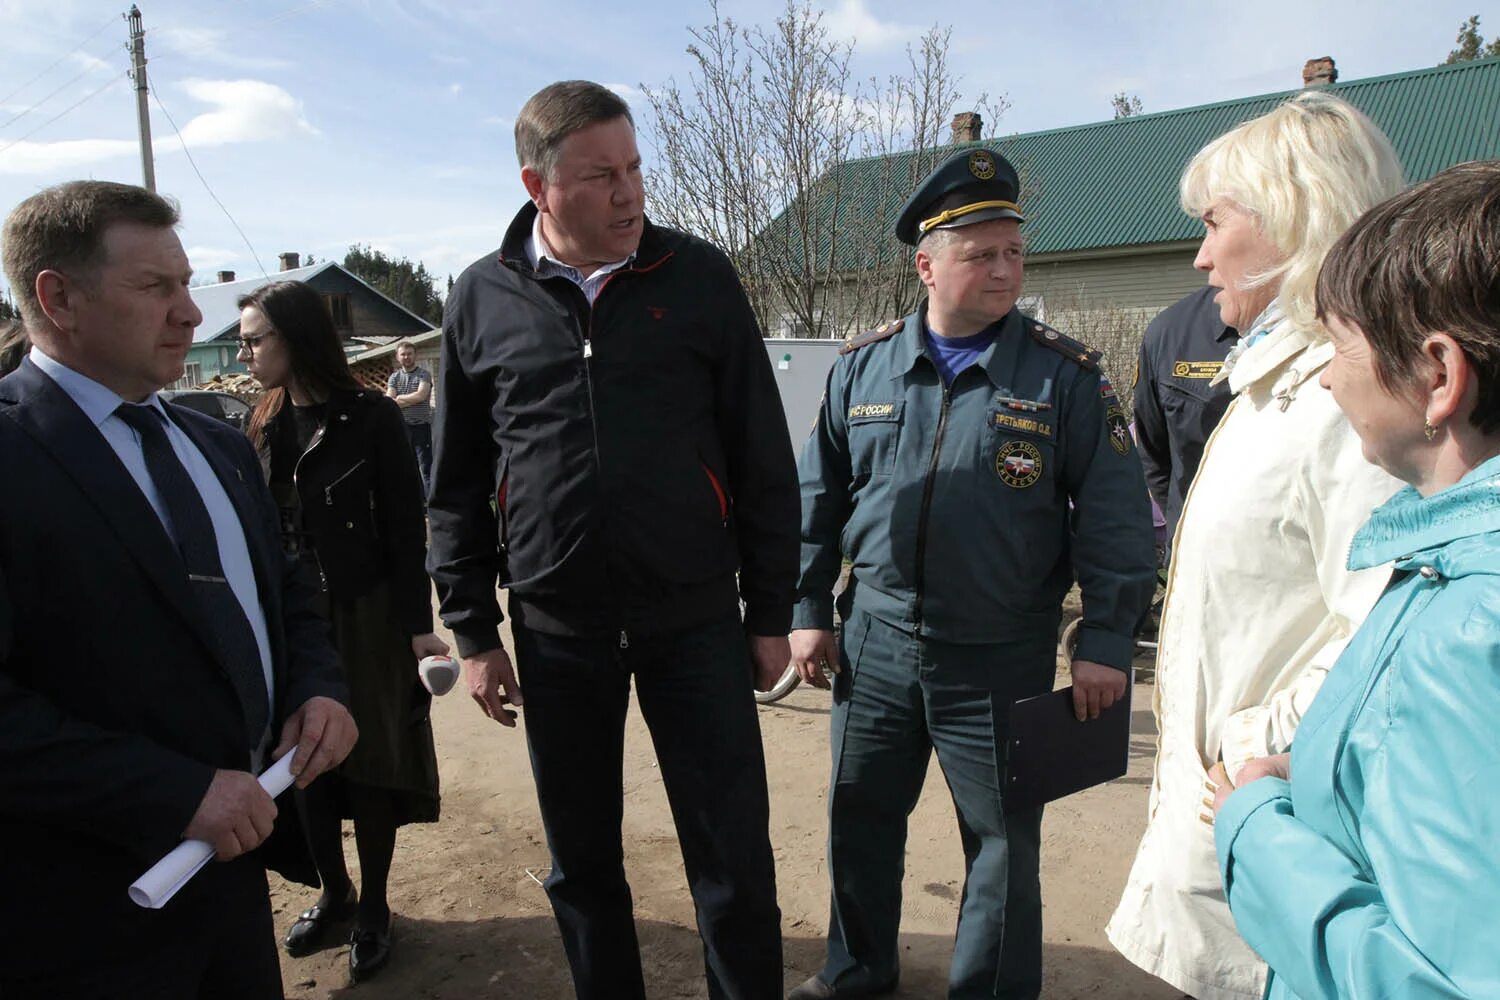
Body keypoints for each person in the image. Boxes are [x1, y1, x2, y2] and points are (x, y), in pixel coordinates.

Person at [428, 80, 798, 999]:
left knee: (732, 857)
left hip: (696, 620)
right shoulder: (480, 297)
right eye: (601, 176)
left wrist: (770, 615)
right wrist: (475, 632)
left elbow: (762, 458)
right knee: (583, 863)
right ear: (537, 185)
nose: (631, 193)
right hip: (558, 633)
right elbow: (457, 484)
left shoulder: (700, 276)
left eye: (635, 168)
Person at [787, 147, 1157, 1000]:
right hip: (873, 645)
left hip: (997, 653)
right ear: (927, 264)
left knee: (1000, 842)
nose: (1004, 270)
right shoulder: (863, 367)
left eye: (1014, 252)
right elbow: (817, 495)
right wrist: (808, 606)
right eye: (980, 253)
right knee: (861, 820)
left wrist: (1104, 638)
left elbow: (1113, 518)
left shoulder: (1062, 377)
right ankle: (856, 971)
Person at [0, 180, 356, 998]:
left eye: (187, 284)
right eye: (155, 287)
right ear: (58, 298)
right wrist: (172, 793)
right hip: (79, 918)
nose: (193, 314)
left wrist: (318, 687)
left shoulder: (218, 446)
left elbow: (285, 591)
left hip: (231, 893)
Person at [1106, 92, 1405, 1000]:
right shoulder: (1275, 384)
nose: (1199, 257)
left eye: (1212, 223)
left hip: (1276, 825)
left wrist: (1252, 746)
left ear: (1292, 216)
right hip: (1237, 824)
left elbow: (1394, 634)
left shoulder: (1342, 405)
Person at [1212, 159, 1500, 1000]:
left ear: (1438, 377)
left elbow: (1431, 980)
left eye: (1340, 346)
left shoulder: (1469, 622)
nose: (1332, 376)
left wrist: (1252, 825)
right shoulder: (1451, 568)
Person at [238, 281, 446, 982]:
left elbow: (402, 533)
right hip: (289, 621)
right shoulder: (260, 422)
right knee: (303, 769)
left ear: (295, 339)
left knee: (369, 769)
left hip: (366, 615)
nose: (244, 350)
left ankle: (376, 908)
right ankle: (336, 892)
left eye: (254, 338)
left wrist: (419, 630)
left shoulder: (372, 418)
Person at [1131, 285, 1237, 558]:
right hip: (1199, 554)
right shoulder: (1172, 332)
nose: (1202, 259)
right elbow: (1153, 452)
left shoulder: (1330, 320)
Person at [385, 341, 433, 496]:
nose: (406, 357)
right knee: (408, 468)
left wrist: (399, 399)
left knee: (425, 467)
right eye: (403, 354)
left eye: (409, 353)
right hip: (402, 428)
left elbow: (421, 395)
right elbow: (389, 401)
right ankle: (419, 504)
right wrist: (405, 400)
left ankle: (432, 503)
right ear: (397, 357)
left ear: (415, 355)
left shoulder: (423, 375)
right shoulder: (394, 377)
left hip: (421, 427)